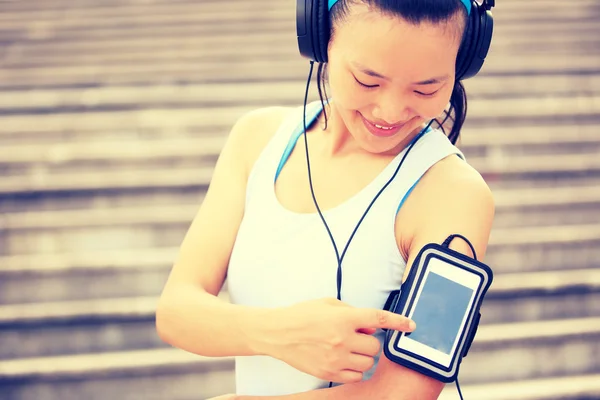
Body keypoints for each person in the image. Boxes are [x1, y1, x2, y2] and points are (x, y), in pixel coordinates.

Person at [156, 0, 495, 398]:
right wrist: (282, 333)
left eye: (427, 88)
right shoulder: (257, 139)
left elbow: (405, 392)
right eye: (368, 81)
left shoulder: (456, 194)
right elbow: (176, 311)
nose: (390, 110)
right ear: (321, 40)